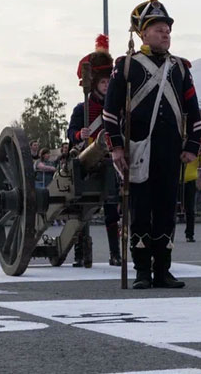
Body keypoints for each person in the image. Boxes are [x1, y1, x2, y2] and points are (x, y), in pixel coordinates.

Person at [105, 0, 201, 289]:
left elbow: (193, 111)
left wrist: (191, 146)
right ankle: (142, 271)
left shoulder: (180, 69)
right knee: (141, 209)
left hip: (170, 149)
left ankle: (163, 269)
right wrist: (117, 146)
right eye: (159, 29)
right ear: (142, 33)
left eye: (168, 29)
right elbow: (110, 112)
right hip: (138, 149)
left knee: (165, 209)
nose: (166, 33)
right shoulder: (126, 66)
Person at [69, 34, 122, 267]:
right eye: (103, 83)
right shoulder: (83, 109)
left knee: (112, 205)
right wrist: (80, 134)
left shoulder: (117, 109)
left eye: (109, 83)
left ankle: (115, 253)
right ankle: (80, 252)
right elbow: (71, 136)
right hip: (85, 161)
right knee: (80, 206)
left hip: (109, 162)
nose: (106, 86)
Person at [182, 142, 201, 242]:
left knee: (190, 209)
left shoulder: (196, 152)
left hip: (190, 181)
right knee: (171, 208)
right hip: (178, 181)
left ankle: (189, 234)